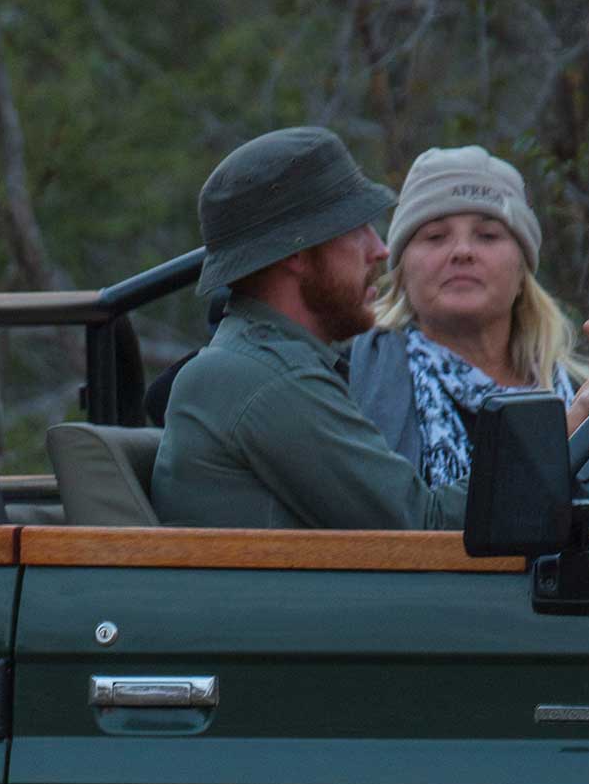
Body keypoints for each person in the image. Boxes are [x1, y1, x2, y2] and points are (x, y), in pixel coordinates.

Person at [152, 124, 473, 531]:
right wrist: (563, 435)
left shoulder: (268, 364)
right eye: (356, 228)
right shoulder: (265, 379)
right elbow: (424, 530)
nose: (380, 249)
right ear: (298, 254)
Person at [351, 145, 589, 486]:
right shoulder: (359, 378)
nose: (462, 251)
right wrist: (571, 431)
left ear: (522, 271)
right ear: (402, 272)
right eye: (435, 237)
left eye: (488, 236)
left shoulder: (586, 392)